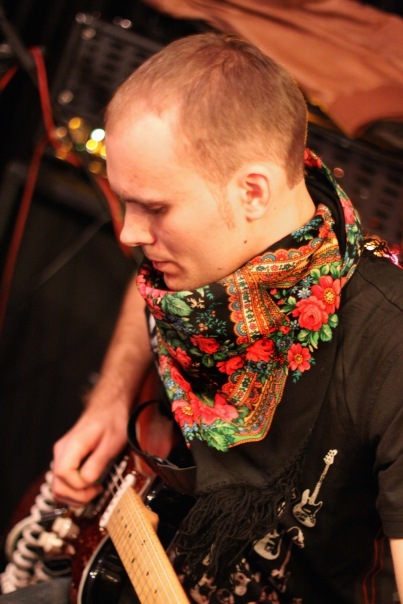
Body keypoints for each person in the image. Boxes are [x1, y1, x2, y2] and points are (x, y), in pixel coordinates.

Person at [1, 32, 403, 604]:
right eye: (126, 202)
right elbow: (151, 289)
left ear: (253, 193)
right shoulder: (199, 262)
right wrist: (110, 403)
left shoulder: (390, 343)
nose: (129, 233)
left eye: (154, 207)